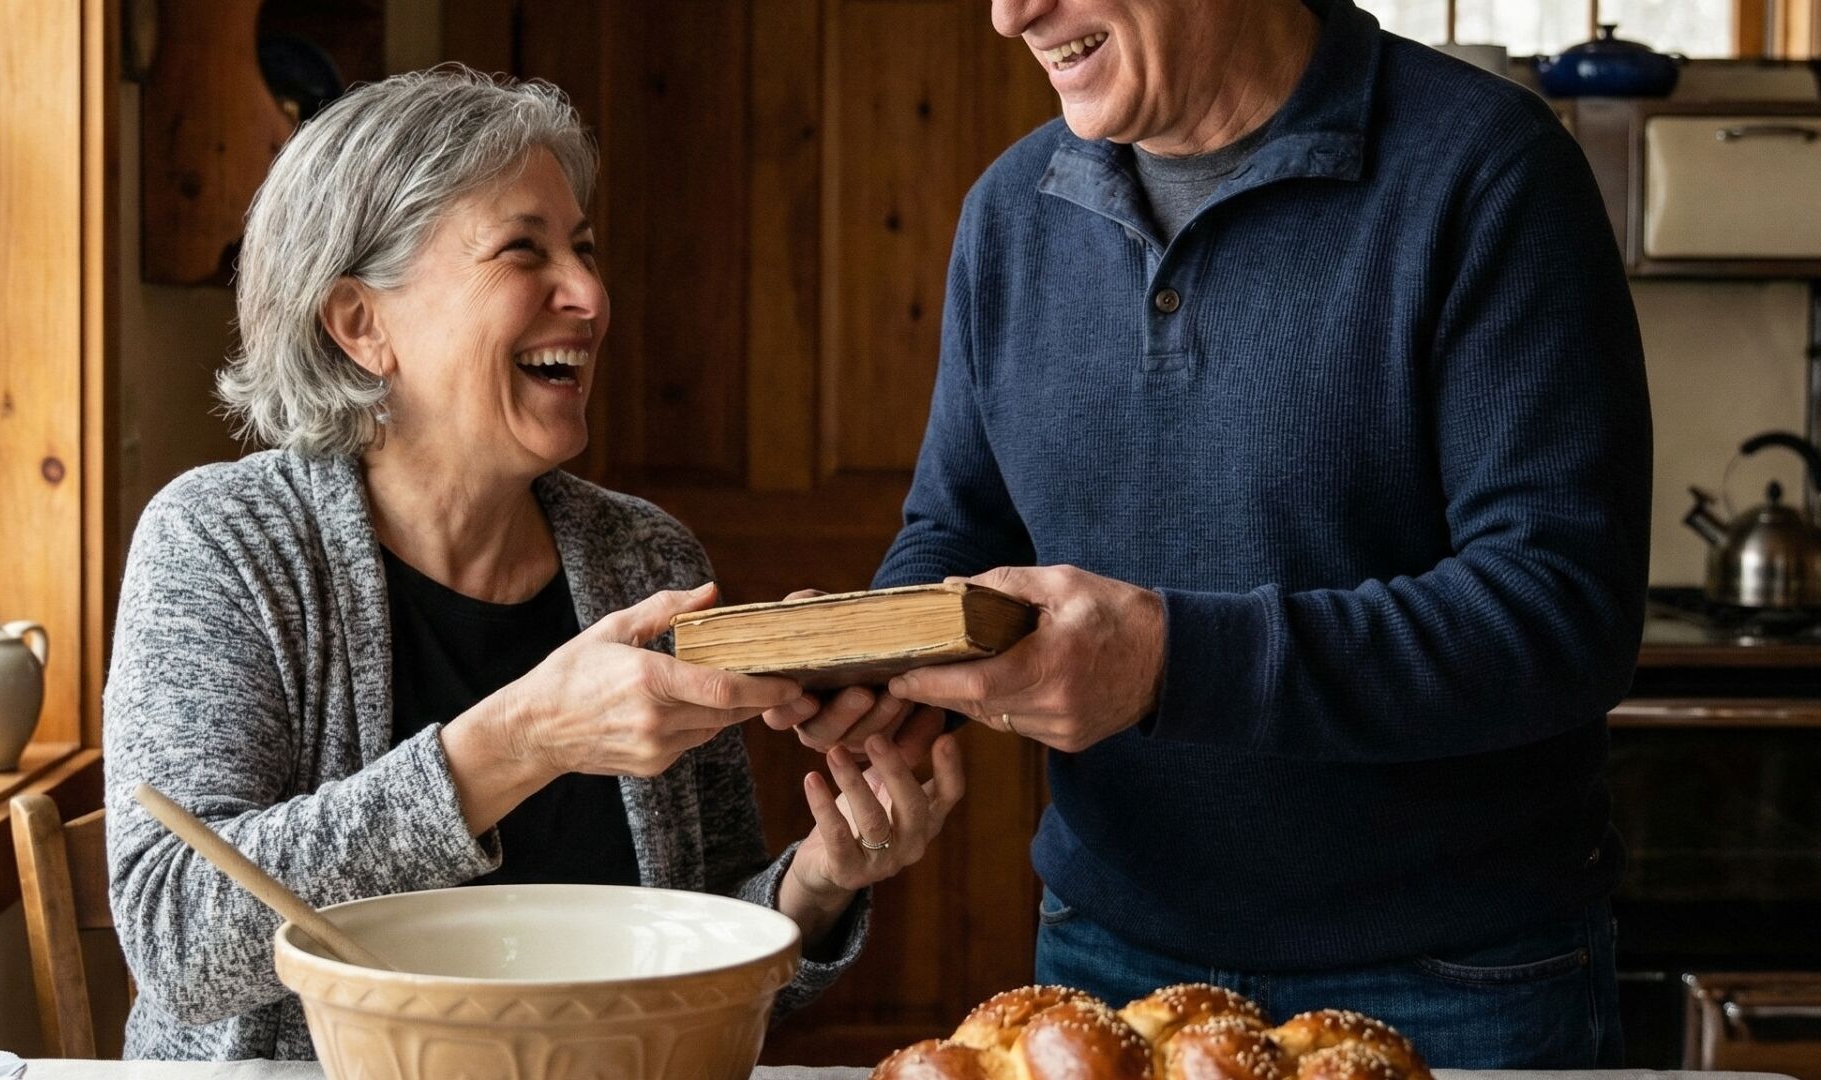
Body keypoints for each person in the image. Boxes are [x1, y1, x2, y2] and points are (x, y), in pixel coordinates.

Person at [769, 0, 1650, 1068]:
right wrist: (891, 660)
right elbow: (958, 525)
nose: (1011, 17)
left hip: (1463, 979)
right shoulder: (1010, 210)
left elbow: (1560, 614)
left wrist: (1165, 661)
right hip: (1102, 960)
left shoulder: (1492, 170)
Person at [103, 67, 964, 1061]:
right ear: (359, 323)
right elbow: (177, 933)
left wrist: (818, 878)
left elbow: (697, 946)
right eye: (525, 250)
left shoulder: (642, 555)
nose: (591, 294)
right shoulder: (225, 542)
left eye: (585, 249)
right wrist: (523, 740)